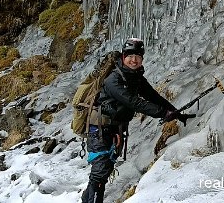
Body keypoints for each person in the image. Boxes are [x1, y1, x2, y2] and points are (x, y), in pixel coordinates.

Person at [81, 38, 195, 203]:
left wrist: (176, 113)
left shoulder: (134, 76)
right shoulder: (113, 80)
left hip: (114, 129)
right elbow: (134, 102)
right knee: (100, 173)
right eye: (130, 55)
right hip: (98, 129)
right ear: (123, 56)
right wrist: (163, 113)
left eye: (138, 56)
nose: (134, 60)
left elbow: (152, 96)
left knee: (102, 174)